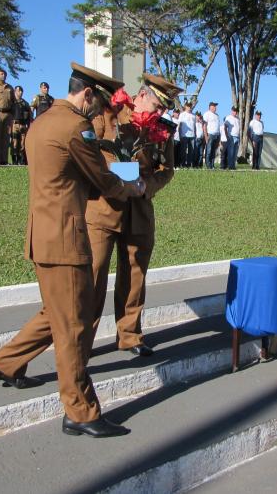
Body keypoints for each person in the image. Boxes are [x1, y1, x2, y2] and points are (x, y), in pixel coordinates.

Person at [0, 62, 145, 438]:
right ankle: (81, 411)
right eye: (99, 104)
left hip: (43, 234)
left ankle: (5, 363)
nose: (100, 112)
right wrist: (132, 187)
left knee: (56, 311)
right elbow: (102, 177)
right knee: (73, 324)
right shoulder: (76, 126)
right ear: (87, 94)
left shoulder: (40, 121)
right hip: (66, 238)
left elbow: (65, 177)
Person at [86, 73, 181, 359]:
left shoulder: (162, 129)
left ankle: (129, 335)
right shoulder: (110, 114)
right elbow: (93, 157)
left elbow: (167, 169)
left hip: (138, 209)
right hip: (104, 207)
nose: (162, 112)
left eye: (166, 107)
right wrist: (129, 177)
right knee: (93, 276)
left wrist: (147, 187)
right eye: (158, 105)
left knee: (134, 276)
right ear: (141, 96)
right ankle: (80, 342)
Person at [10, 85, 32, 165]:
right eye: (19, 90)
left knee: (22, 143)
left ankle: (21, 159)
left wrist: (28, 124)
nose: (20, 92)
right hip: (14, 124)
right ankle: (14, 160)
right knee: (14, 142)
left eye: (22, 91)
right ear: (15, 91)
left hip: (23, 125)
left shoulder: (25, 103)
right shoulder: (11, 102)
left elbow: (29, 114)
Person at [177, 102, 195, 167]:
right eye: (188, 106)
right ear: (185, 107)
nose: (189, 108)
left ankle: (189, 164)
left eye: (190, 106)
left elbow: (194, 126)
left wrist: (195, 134)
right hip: (184, 135)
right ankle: (183, 164)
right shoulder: (182, 114)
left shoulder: (193, 115)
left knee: (191, 151)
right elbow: (179, 125)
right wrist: (179, 134)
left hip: (192, 136)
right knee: (183, 150)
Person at [203, 101, 220, 169]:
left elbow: (218, 126)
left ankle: (212, 164)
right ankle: (208, 164)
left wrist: (219, 136)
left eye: (215, 106)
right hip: (210, 134)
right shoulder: (207, 114)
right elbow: (204, 126)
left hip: (217, 135)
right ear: (210, 107)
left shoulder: (217, 115)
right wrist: (206, 136)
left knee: (214, 151)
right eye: (214, 106)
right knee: (209, 150)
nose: (215, 108)